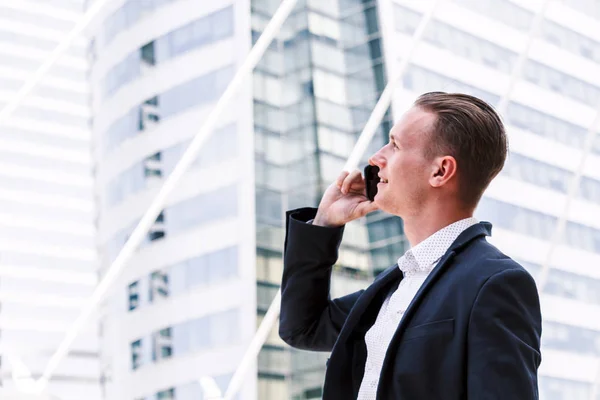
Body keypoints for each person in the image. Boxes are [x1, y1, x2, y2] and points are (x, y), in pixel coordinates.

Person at [279, 92, 542, 399]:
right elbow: (302, 327)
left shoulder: (495, 284)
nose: (376, 158)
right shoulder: (392, 288)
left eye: (395, 145)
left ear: (440, 171)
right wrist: (324, 223)